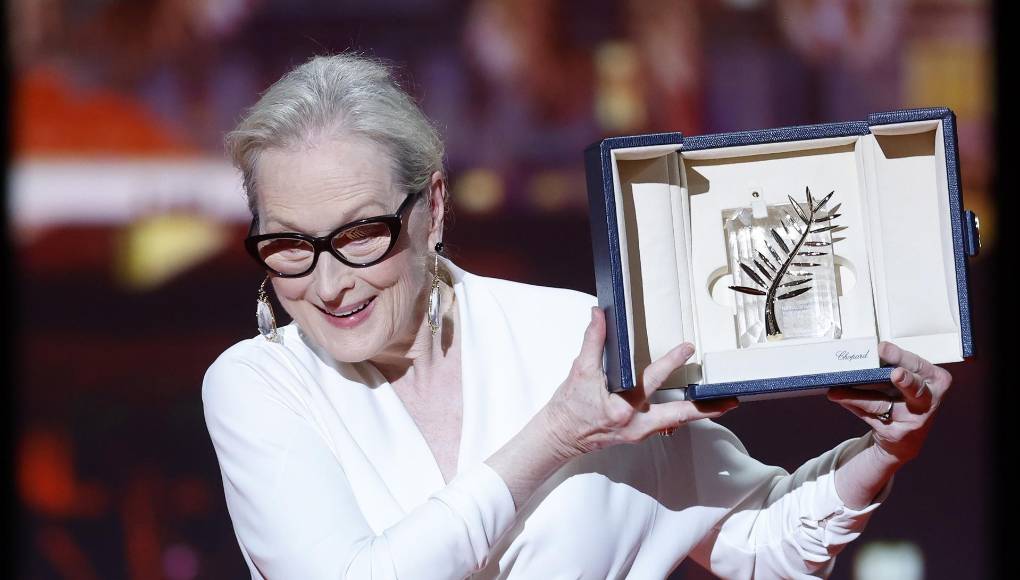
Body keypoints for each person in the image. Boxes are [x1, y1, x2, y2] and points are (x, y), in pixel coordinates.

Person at [202, 52, 953, 579]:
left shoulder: (574, 341)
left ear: (431, 208)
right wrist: (556, 437)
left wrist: (886, 452)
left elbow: (760, 544)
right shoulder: (259, 386)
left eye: (361, 234)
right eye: (288, 245)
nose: (328, 284)